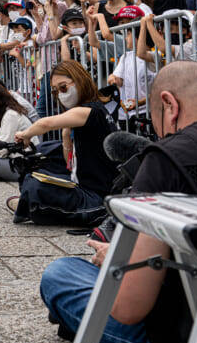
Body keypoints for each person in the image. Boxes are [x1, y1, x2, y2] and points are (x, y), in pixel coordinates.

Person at [40, 62, 197, 343]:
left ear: (169, 105)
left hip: (195, 341)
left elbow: (129, 308)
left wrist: (119, 259)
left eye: (156, 122)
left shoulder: (168, 158)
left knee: (61, 274)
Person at [11, 60, 118, 225]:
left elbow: (45, 124)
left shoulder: (90, 110)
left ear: (79, 81)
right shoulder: (93, 110)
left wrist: (25, 134)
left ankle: (29, 203)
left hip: (96, 199)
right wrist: (66, 133)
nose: (60, 95)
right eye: (55, 91)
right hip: (86, 188)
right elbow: (69, 163)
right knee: (37, 170)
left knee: (36, 186)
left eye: (63, 88)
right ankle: (30, 202)